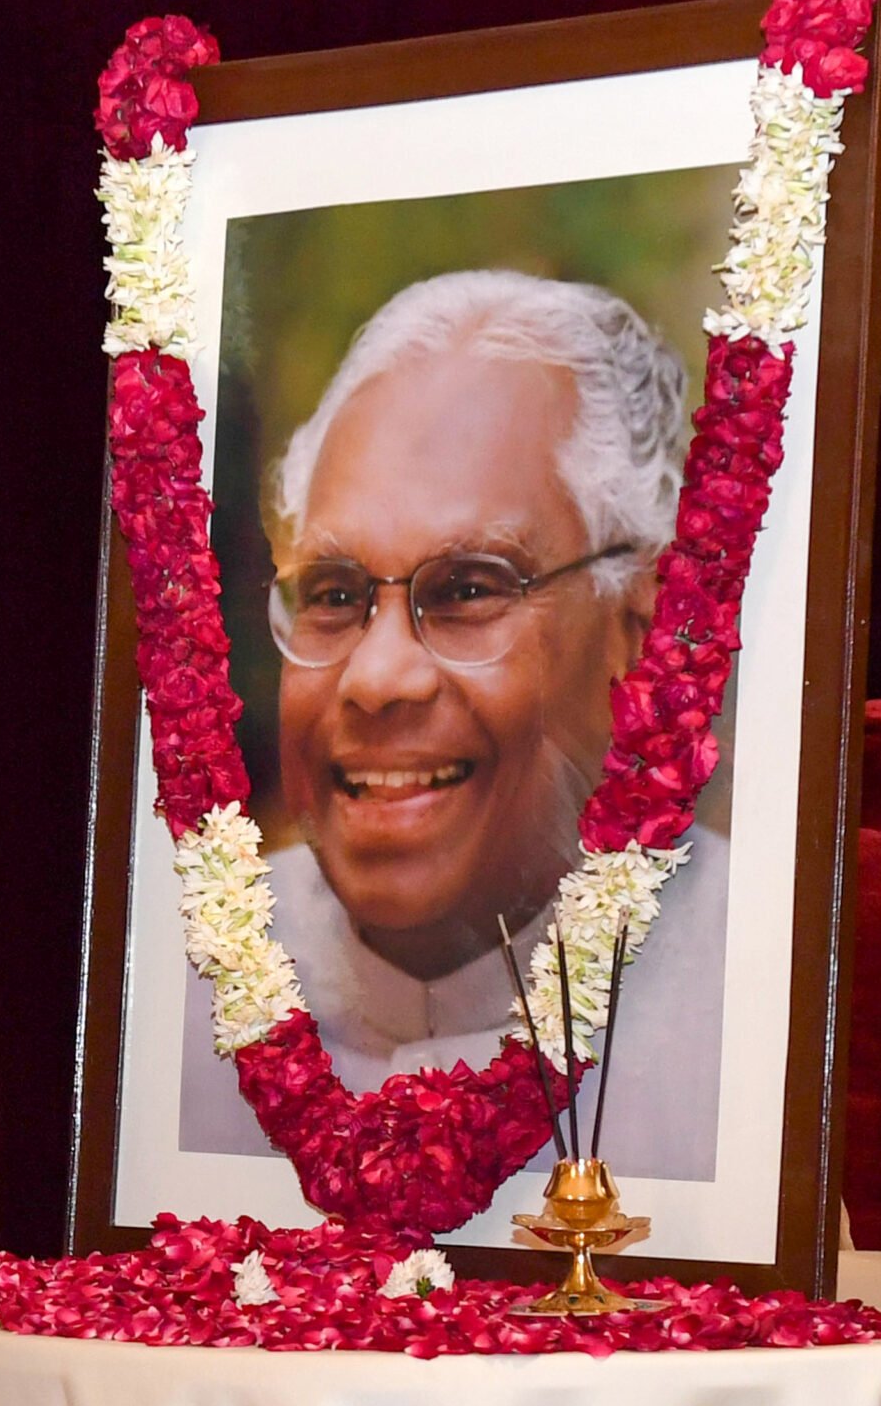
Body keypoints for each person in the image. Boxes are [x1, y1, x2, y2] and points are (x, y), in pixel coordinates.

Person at [181, 268, 729, 1182]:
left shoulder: (755, 1007)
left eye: (470, 588)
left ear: (637, 631)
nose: (377, 677)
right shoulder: (177, 983)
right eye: (333, 594)